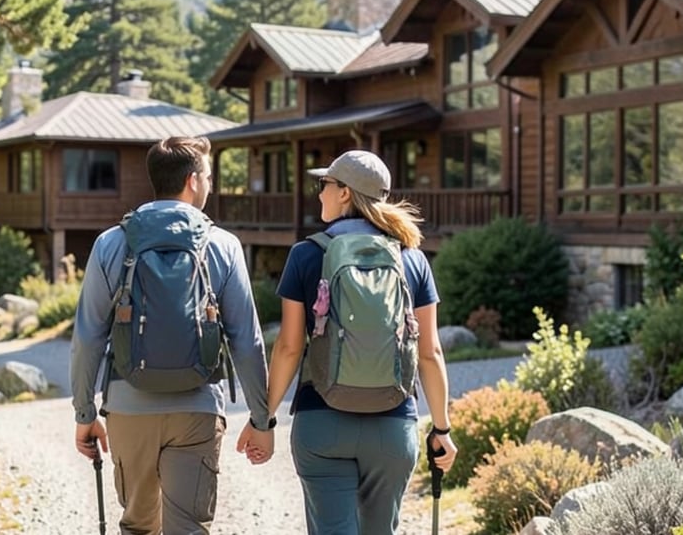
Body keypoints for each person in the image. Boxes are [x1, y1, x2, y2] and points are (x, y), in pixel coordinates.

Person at [70, 135, 274, 535]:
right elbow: (246, 341)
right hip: (197, 409)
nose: (210, 186)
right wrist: (261, 420)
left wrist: (84, 414)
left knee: (138, 527)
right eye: (209, 177)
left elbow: (88, 337)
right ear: (193, 181)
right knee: (189, 529)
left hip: (128, 407)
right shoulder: (223, 245)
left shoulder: (111, 243)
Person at [247, 149, 458, 534]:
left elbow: (289, 348)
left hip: (321, 423)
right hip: (393, 427)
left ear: (344, 193)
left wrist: (263, 419)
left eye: (324, 185)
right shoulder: (411, 258)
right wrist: (441, 430)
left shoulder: (305, 254)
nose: (318, 194)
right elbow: (430, 353)